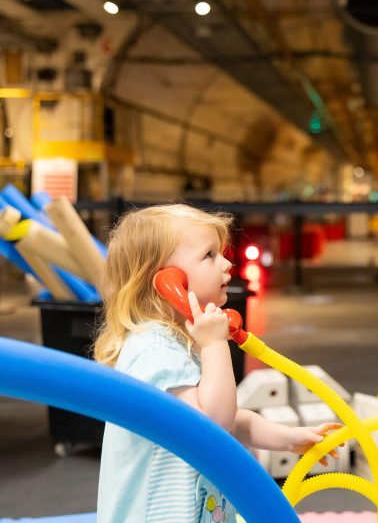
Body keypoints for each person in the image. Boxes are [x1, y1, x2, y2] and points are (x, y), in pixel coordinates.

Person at [94, 204, 340, 522]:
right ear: (166, 281)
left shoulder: (177, 340)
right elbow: (214, 423)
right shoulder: (154, 351)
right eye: (209, 255)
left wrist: (287, 438)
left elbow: (233, 420)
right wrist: (215, 344)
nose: (226, 263)